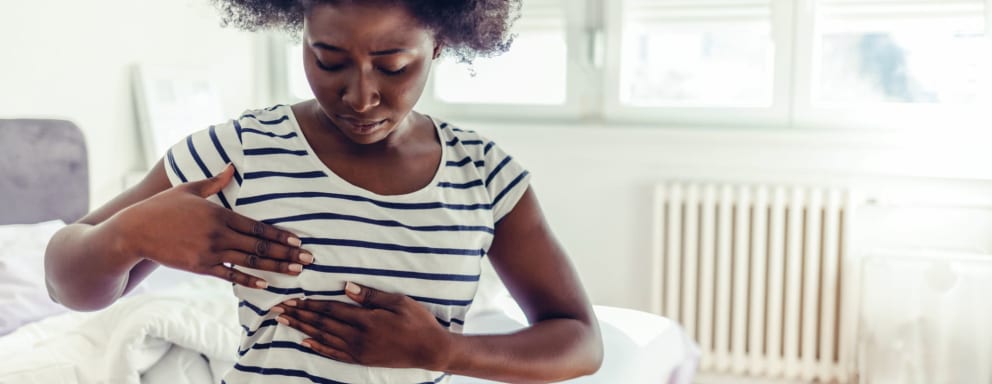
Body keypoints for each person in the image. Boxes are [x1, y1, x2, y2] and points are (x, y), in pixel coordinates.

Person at [44, 0, 603, 382]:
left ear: (441, 46)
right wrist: (130, 235)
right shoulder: (238, 150)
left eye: (393, 66)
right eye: (328, 60)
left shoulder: (483, 174)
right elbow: (64, 281)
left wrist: (444, 351)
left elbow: (580, 341)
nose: (360, 96)